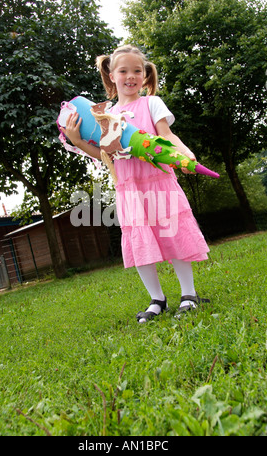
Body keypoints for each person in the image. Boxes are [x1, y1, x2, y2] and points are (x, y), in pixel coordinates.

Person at [62, 44, 210, 323]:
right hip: (129, 187)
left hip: (159, 181)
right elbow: (107, 156)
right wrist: (78, 141)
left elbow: (167, 135)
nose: (131, 76)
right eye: (124, 70)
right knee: (140, 242)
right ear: (111, 75)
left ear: (145, 75)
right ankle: (157, 299)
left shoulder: (152, 103)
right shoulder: (104, 114)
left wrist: (186, 154)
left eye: (137, 70)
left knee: (173, 234)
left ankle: (188, 294)